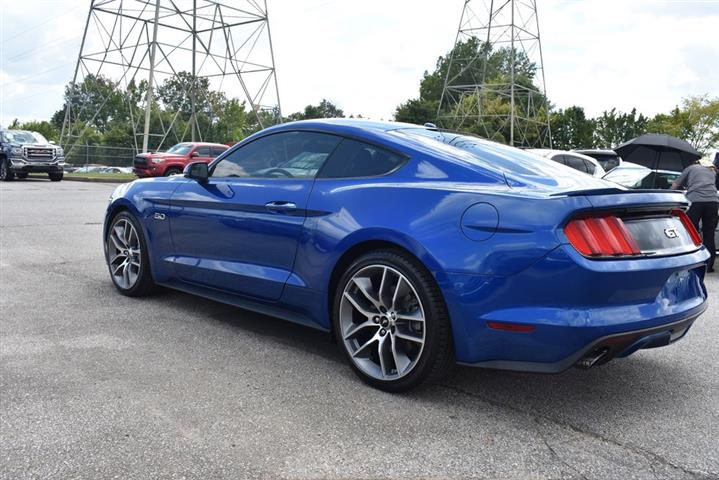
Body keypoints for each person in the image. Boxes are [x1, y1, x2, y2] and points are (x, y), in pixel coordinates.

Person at [671, 158, 719, 272]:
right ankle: (709, 265)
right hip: (713, 202)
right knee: (709, 233)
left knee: (691, 231)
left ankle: (694, 263)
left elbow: (675, 184)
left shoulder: (691, 168)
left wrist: (669, 193)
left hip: (696, 201)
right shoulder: (712, 171)